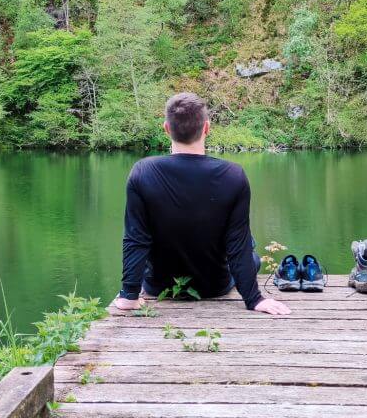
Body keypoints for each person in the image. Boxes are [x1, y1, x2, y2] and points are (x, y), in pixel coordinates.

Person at [109, 93, 292, 316]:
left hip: (159, 286)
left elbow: (136, 239)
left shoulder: (142, 172)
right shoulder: (234, 175)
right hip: (215, 286)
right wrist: (254, 299)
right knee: (251, 252)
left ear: (166, 128)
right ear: (207, 128)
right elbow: (238, 245)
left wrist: (129, 294)